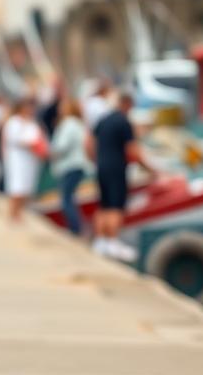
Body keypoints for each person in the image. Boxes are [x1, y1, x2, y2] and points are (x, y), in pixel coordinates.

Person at [89, 91, 155, 261]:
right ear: (128, 104)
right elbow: (132, 150)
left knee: (103, 204)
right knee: (116, 206)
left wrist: (95, 159)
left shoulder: (103, 120)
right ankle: (112, 242)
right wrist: (150, 170)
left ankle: (100, 241)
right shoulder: (123, 122)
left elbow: (89, 142)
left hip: (101, 166)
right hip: (116, 168)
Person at [50, 98, 91, 235]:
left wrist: (50, 152)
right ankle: (77, 226)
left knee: (66, 199)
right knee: (70, 198)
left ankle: (75, 229)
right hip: (78, 165)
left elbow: (62, 146)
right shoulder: (79, 124)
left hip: (69, 166)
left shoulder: (68, 124)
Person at [0, 96, 45, 223]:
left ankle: (19, 213)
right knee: (16, 185)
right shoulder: (13, 122)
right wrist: (30, 144)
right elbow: (13, 139)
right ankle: (13, 213)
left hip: (30, 160)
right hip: (17, 158)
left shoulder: (33, 122)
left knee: (26, 187)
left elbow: (39, 138)